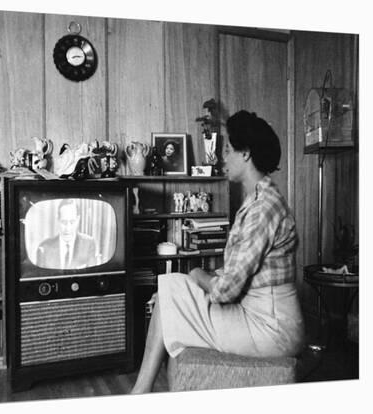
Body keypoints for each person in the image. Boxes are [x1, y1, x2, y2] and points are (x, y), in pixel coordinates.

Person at [131, 110, 305, 394]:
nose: (222, 157)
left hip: (272, 329)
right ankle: (141, 392)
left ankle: (140, 393)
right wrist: (188, 282)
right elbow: (235, 274)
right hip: (258, 317)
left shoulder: (264, 208)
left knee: (172, 292)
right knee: (170, 289)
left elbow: (225, 291)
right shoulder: (258, 200)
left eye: (227, 149)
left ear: (245, 153)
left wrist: (197, 274)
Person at [35, 199, 98, 269]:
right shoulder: (44, 248)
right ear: (58, 220)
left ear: (78, 220)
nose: (68, 228)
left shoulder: (89, 244)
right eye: (64, 222)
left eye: (72, 222)